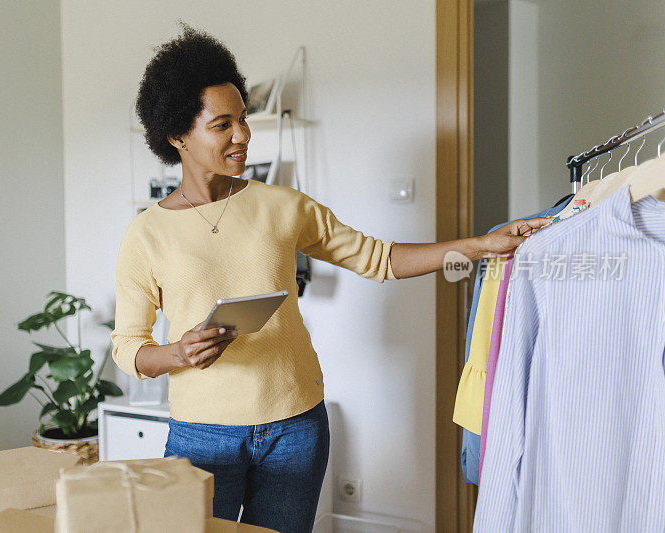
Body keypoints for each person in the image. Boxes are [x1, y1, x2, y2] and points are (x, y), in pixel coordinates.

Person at [110, 25, 549, 533]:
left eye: (244, 120)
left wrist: (477, 245)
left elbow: (377, 258)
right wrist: (178, 354)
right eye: (222, 124)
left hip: (296, 425)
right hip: (201, 436)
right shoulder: (145, 235)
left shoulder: (281, 205)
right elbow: (128, 347)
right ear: (177, 135)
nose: (243, 135)